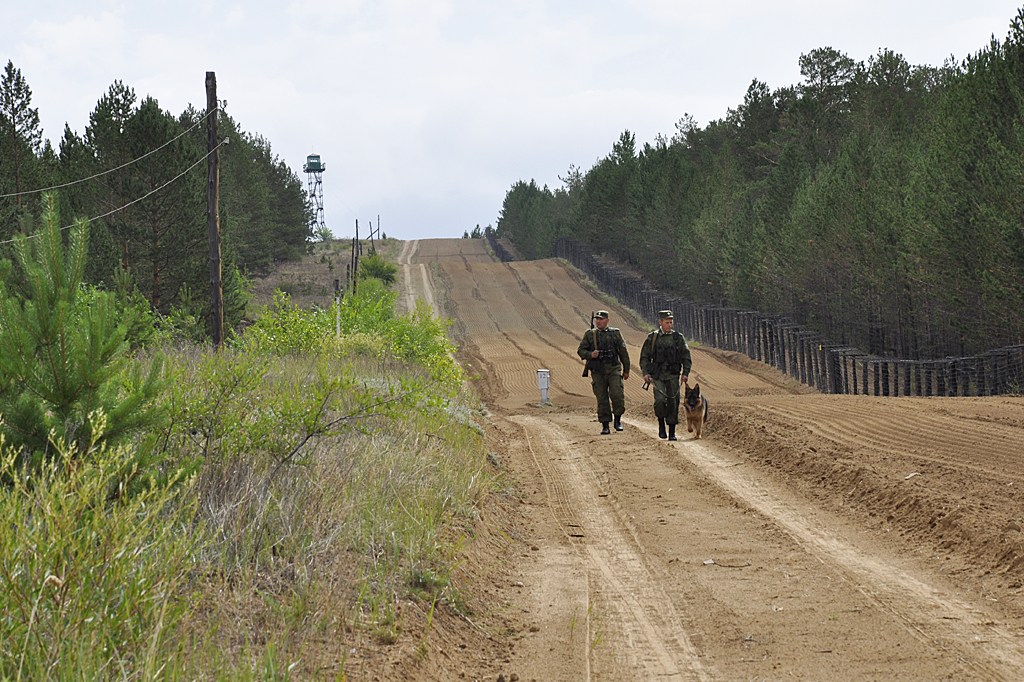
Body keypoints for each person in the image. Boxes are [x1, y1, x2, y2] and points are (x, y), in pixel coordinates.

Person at [639, 310, 692, 441]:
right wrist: (645, 373)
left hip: (673, 375)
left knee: (673, 402)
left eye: (671, 322)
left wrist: (685, 373)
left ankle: (672, 432)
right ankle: (661, 424)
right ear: (660, 322)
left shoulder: (678, 338)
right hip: (658, 375)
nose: (669, 325)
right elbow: (644, 357)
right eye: (667, 322)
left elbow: (686, 357)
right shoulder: (653, 338)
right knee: (660, 401)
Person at [577, 310, 630, 434]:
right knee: (602, 398)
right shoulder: (590, 334)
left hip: (613, 368)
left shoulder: (615, 333)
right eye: (597, 319)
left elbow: (623, 352)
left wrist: (626, 369)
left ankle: (617, 419)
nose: (598, 321)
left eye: (601, 319)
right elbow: (581, 351)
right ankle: (605, 424)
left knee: (617, 394)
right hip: (598, 370)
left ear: (607, 321)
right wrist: (591, 354)